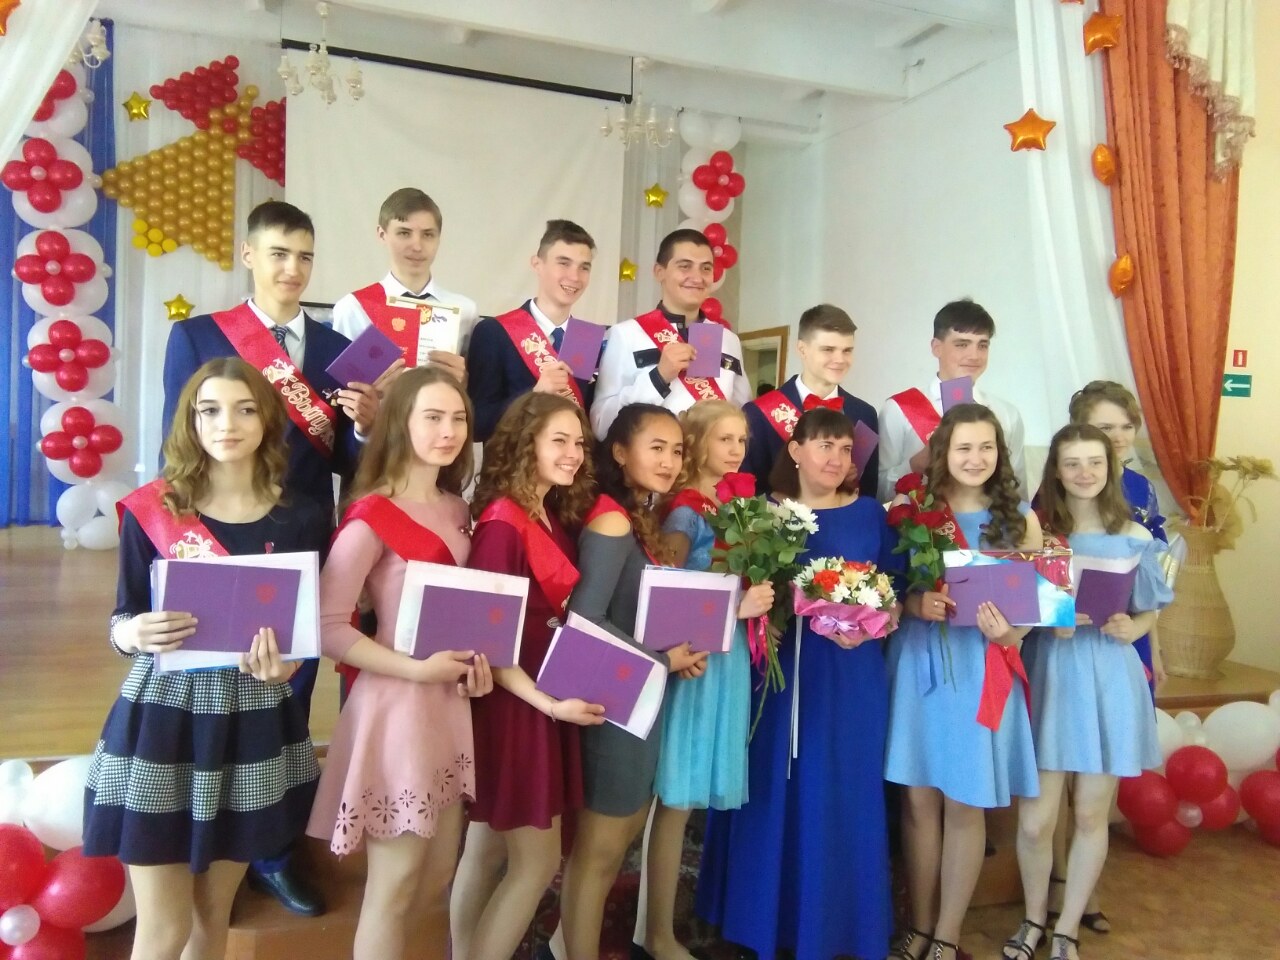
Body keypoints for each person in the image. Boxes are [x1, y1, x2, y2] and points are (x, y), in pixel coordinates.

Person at [159, 200, 377, 913]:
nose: (293, 268)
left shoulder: (339, 346)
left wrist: (364, 428)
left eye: (305, 256)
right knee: (212, 691)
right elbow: (176, 444)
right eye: (279, 253)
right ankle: (205, 833)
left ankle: (273, 850)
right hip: (219, 540)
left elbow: (347, 462)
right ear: (249, 255)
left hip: (301, 539)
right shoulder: (199, 336)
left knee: (288, 695)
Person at [82, 358, 326, 960]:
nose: (227, 424)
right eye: (210, 410)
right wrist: (134, 632)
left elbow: (301, 633)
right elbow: (122, 618)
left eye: (245, 410)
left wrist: (287, 667)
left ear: (267, 422)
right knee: (163, 930)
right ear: (190, 421)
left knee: (213, 919)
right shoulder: (155, 509)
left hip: (253, 719)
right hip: (165, 718)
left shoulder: (302, 516)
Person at [698, 408, 903, 960]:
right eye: (824, 446)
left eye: (845, 449)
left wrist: (873, 623)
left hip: (852, 673)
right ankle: (760, 919)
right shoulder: (763, 515)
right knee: (776, 783)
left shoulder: (870, 514)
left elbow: (896, 595)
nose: (836, 459)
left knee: (843, 787)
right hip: (783, 671)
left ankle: (839, 923)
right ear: (794, 450)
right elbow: (731, 590)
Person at [307, 366, 493, 960]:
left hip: (451, 704)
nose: (448, 431)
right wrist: (417, 669)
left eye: (458, 418)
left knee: (436, 876)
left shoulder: (460, 509)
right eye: (432, 417)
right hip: (397, 706)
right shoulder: (371, 514)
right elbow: (327, 626)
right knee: (393, 886)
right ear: (399, 424)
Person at [449, 392, 607, 960]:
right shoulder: (502, 526)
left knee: (487, 849)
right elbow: (487, 643)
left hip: (540, 696)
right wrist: (548, 704)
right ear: (525, 445)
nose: (573, 454)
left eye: (578, 443)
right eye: (558, 440)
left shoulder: (545, 511)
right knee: (535, 864)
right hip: (517, 705)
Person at [1003, 425, 1169, 960]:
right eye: (1072, 462)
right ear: (1056, 470)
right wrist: (1047, 621)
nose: (1084, 472)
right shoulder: (1038, 533)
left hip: (1108, 675)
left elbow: (1149, 608)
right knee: (1036, 822)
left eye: (1094, 461)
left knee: (1092, 816)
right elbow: (1013, 606)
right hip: (1051, 670)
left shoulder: (1136, 535)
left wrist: (1133, 627)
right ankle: (1034, 919)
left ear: (1110, 466)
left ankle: (1068, 928)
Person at [883, 403, 1042, 960]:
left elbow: (1039, 604)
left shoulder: (1021, 520)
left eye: (987, 447)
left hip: (981, 668)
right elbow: (889, 589)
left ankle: (948, 936)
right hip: (921, 662)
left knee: (965, 801)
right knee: (918, 800)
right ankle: (921, 926)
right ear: (944, 453)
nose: (976, 458)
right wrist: (914, 602)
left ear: (1001, 453)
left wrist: (1011, 633)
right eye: (964, 448)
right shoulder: (911, 511)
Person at [550, 403, 704, 960]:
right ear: (619, 452)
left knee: (614, 844)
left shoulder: (638, 514)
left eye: (677, 450)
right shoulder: (612, 519)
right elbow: (585, 619)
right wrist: (664, 658)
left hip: (637, 694)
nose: (668, 461)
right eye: (655, 448)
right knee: (599, 852)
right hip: (612, 702)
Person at [632, 400, 775, 960]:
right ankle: (655, 933)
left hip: (727, 659)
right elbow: (666, 599)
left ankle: (653, 926)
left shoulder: (733, 506)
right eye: (724, 439)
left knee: (684, 804)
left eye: (741, 440)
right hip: (695, 662)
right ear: (696, 443)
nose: (736, 450)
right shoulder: (685, 514)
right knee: (674, 800)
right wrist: (738, 608)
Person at [590, 230, 751, 438]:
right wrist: (658, 378)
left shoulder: (729, 340)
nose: (697, 277)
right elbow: (601, 424)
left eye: (706, 268)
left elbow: (742, 415)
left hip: (711, 458)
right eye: (685, 266)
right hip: (652, 456)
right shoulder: (625, 334)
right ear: (659, 272)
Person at [878, 299, 1026, 502]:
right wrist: (914, 465)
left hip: (988, 521)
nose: (974, 355)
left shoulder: (1006, 414)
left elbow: (1017, 491)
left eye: (982, 345)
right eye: (962, 344)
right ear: (936, 347)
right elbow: (878, 491)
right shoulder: (899, 409)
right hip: (920, 520)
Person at [466, 220, 599, 441]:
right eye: (563, 263)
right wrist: (534, 395)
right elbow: (477, 424)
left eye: (584, 267)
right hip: (513, 462)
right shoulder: (493, 332)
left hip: (571, 461)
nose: (575, 277)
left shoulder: (586, 339)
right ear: (537, 264)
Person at [331, 187, 478, 384]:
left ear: (439, 238)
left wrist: (465, 380)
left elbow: (478, 391)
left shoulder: (465, 311)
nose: (417, 246)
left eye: (428, 235)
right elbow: (341, 388)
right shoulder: (352, 308)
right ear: (382, 234)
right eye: (404, 233)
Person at [743, 303, 878, 497]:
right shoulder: (758, 413)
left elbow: (869, 491)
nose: (840, 359)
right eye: (828, 349)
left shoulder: (865, 414)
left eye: (847, 350)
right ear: (802, 349)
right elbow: (750, 493)